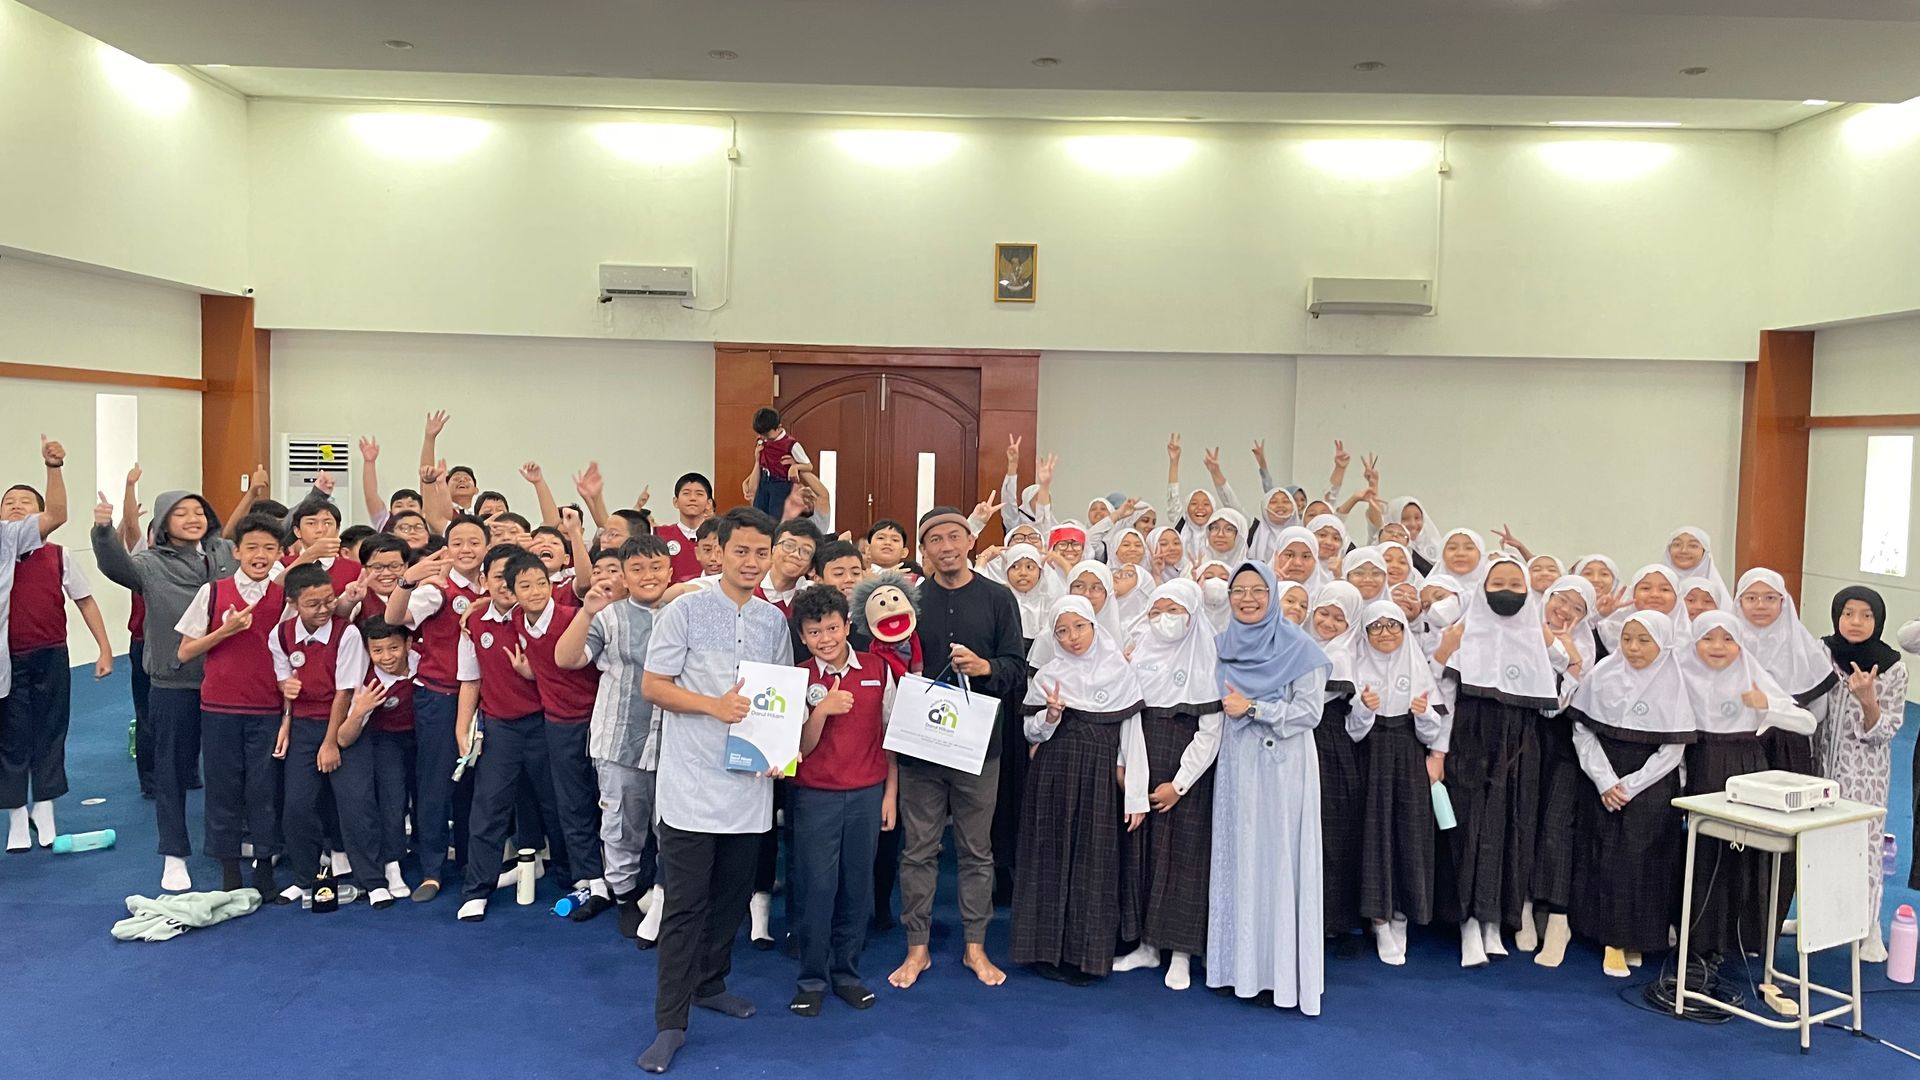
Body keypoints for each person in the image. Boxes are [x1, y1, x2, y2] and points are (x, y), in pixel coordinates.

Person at [637, 507, 792, 1074]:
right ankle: (670, 1024)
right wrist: (712, 706)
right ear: (718, 551)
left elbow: (779, 696)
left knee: (732, 898)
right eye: (741, 551)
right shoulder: (687, 609)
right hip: (692, 786)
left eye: (761, 552)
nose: (751, 562)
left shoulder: (773, 621)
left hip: (749, 786)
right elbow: (654, 686)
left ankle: (710, 983)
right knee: (685, 907)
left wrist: (779, 751)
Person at [889, 507, 1026, 991]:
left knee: (976, 851)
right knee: (918, 850)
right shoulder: (906, 600)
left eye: (954, 536)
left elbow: (1017, 668)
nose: (946, 546)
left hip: (977, 748)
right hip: (920, 745)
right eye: (935, 539)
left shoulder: (998, 598)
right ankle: (917, 947)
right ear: (923, 549)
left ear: (970, 541)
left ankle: (975, 946)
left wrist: (985, 667)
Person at [92, 484, 235, 893]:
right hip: (174, 681)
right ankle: (174, 854)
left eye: (198, 511)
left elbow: (269, 546)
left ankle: (231, 844)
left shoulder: (224, 554)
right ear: (163, 524)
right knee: (172, 770)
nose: (192, 519)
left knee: (229, 769)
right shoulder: (149, 564)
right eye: (180, 513)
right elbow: (115, 567)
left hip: (229, 681)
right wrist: (103, 531)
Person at [1209, 560, 1330, 1014]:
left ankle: (1278, 976)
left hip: (1283, 767)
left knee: (1278, 859)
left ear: (1273, 594)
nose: (1247, 599)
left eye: (1258, 590)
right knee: (1240, 855)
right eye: (1238, 590)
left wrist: (1255, 708)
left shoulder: (1300, 647)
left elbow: (1309, 714)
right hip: (1237, 763)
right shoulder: (1223, 645)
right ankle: (1238, 970)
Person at [1430, 553, 1557, 967]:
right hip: (1470, 740)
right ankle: (1467, 922)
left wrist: (1560, 653)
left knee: (1511, 828)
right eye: (1497, 584)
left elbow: (1553, 703)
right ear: (1482, 589)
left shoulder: (1537, 637)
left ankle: (1494, 921)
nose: (1506, 591)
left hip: (1520, 746)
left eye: (1516, 585)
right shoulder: (1463, 632)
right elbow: (1443, 696)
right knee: (1470, 829)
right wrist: (1438, 751)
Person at [1014, 596, 1149, 984]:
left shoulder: (1119, 672)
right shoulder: (1049, 675)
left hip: (1099, 780)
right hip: (1053, 777)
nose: (1072, 637)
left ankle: (1084, 955)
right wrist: (1050, 716)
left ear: (1095, 625)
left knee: (1095, 863)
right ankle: (1044, 951)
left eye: (1079, 627)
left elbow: (1131, 738)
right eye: (1062, 631)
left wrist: (1136, 795)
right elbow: (1031, 733)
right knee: (1048, 859)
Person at [1677, 612, 1815, 969]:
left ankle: (1742, 936)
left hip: (1745, 767)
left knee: (1743, 852)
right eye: (1708, 638)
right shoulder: (1681, 671)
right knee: (1703, 852)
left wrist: (1766, 707)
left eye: (1728, 639)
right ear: (1694, 642)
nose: (1718, 647)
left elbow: (1807, 722)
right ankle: (1700, 939)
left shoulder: (1752, 673)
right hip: (1699, 763)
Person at [785, 585, 896, 1016]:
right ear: (803, 636)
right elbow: (799, 747)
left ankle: (847, 973)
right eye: (814, 632)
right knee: (817, 888)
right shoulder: (797, 677)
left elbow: (892, 738)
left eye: (832, 628)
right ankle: (811, 978)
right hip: (816, 796)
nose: (825, 638)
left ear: (848, 626)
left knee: (856, 886)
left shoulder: (878, 668)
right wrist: (821, 710)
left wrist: (890, 794)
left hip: (868, 794)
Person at [557, 534, 674, 940]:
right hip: (620, 742)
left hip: (675, 745)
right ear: (623, 575)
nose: (648, 575)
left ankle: (664, 901)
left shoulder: (685, 612)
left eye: (656, 567)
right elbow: (567, 659)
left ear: (670, 571)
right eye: (637, 568)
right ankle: (624, 898)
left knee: (671, 829)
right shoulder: (608, 616)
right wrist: (587, 611)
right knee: (622, 826)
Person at [1566, 610, 1694, 977]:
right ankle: (1613, 940)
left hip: (1651, 785)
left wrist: (1631, 785)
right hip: (1603, 775)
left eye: (1643, 640)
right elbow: (1582, 731)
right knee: (1608, 858)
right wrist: (1606, 780)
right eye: (1626, 639)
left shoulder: (1675, 681)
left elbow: (1672, 750)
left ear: (1663, 643)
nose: (1633, 648)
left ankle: (1641, 937)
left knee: (1648, 860)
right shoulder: (1602, 675)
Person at [171, 514, 294, 894]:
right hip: (220, 707)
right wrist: (225, 631)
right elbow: (185, 651)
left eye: (269, 548)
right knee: (223, 788)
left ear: (280, 554)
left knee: (264, 789)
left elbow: (291, 656)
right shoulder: (213, 592)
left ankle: (264, 867)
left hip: (267, 708)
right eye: (252, 547)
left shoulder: (284, 599)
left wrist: (287, 714)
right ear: (236, 551)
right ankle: (228, 870)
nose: (260, 555)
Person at [1113, 578, 1221, 989]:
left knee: (1184, 857)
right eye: (1156, 611)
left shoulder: (1206, 659)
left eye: (1174, 611)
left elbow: (1210, 731)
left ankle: (1181, 951)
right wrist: (1124, 764)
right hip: (1142, 759)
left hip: (1184, 771)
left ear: (1192, 615)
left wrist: (1180, 784)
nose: (1164, 620)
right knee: (1142, 855)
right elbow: (1126, 714)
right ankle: (1146, 945)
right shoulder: (1138, 652)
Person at [388, 514, 492, 903]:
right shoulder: (437, 589)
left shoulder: (495, 583)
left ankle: (468, 860)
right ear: (447, 548)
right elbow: (394, 618)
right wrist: (407, 581)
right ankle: (431, 868)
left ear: (487, 547)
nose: (467, 549)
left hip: (487, 699)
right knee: (435, 783)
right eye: (458, 542)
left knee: (475, 785)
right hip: (441, 697)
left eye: (475, 542)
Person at [1, 477, 107, 851]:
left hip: (50, 653)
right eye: (8, 502)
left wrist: (104, 647)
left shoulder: (59, 555)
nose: (16, 505)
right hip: (7, 660)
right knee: (11, 737)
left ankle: (44, 806)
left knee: (50, 731)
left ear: (41, 515)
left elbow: (85, 600)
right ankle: (16, 814)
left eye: (26, 501)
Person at [274, 563, 388, 905]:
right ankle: (305, 878)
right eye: (313, 604)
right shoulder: (281, 634)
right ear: (293, 603)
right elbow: (287, 685)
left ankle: (373, 881)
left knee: (357, 804)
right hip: (303, 728)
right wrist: (287, 722)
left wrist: (330, 743)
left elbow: (345, 693)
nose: (324, 609)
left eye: (329, 600)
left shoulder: (347, 634)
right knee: (296, 806)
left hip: (344, 726)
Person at [454, 546, 555, 923]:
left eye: (513, 579)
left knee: (557, 803)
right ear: (484, 580)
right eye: (498, 577)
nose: (506, 586)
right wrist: (462, 727)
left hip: (544, 723)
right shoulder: (474, 623)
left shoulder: (537, 618)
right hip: (499, 728)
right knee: (489, 808)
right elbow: (470, 680)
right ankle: (476, 890)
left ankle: (573, 877)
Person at [510, 537, 609, 920]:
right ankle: (590, 879)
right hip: (557, 724)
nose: (535, 591)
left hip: (596, 719)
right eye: (524, 586)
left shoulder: (575, 616)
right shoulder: (517, 620)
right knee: (571, 802)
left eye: (541, 583)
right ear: (513, 593)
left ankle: (622, 877)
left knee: (608, 801)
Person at [1348, 600, 1446, 966]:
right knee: (1373, 835)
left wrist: (1423, 716)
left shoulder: (1417, 666)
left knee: (1410, 833)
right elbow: (1352, 733)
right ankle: (1378, 919)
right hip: (1370, 757)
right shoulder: (1356, 665)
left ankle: (1402, 913)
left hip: (1408, 756)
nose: (1385, 633)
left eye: (1393, 625)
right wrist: (1364, 708)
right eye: (1376, 626)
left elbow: (1431, 733)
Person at [1816, 586, 1908, 963]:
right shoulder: (1822, 653)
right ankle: (1815, 916)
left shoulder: (1892, 667)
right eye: (1848, 613)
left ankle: (1869, 927)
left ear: (1878, 620)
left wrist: (1869, 702)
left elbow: (1888, 730)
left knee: (1864, 846)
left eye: (1866, 615)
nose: (1856, 622)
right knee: (1815, 844)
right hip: (1820, 765)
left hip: (1865, 773)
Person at [1307, 581, 1368, 950]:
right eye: (1323, 613)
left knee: (1333, 831)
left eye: (1338, 619)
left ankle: (1335, 920)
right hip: (1299, 742)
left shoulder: (1347, 657)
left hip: (1330, 747)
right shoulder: (1300, 645)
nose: (1328, 624)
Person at [1732, 568, 1836, 776]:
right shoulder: (1725, 644)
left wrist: (1779, 713)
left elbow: (1818, 712)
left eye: (1770, 598)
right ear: (1739, 602)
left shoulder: (1802, 646)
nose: (1760, 605)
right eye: (1751, 598)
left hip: (1789, 745)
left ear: (1783, 601)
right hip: (1735, 744)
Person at [351, 615, 419, 902]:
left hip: (423, 737)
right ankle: (392, 863)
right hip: (386, 743)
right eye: (377, 651)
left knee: (427, 796)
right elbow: (347, 733)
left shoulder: (423, 662)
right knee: (393, 802)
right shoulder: (369, 683)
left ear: (409, 644)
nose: (387, 657)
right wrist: (359, 710)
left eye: (393, 648)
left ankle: (424, 848)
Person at [749, 407, 808, 519]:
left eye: (767, 434)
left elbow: (808, 466)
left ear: (778, 427)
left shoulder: (790, 444)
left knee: (776, 517)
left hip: (780, 484)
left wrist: (795, 466)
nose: (764, 437)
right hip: (764, 482)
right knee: (758, 516)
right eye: (761, 434)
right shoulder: (762, 441)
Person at [656, 473, 715, 584]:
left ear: (709, 503)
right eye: (686, 493)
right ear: (675, 502)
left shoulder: (720, 535)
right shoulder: (659, 535)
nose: (692, 498)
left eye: (699, 494)